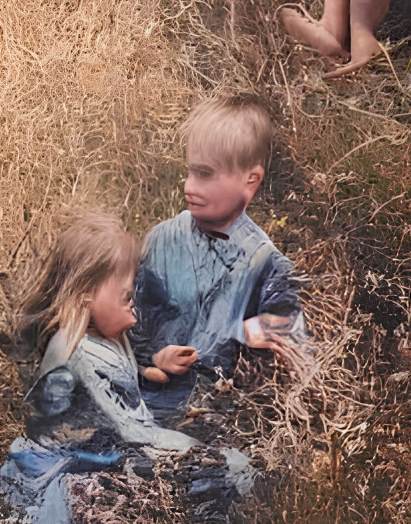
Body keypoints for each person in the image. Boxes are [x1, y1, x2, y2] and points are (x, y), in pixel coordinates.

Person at [0, 213, 252, 524]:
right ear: (85, 297)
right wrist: (192, 450)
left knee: (198, 490)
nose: (134, 306)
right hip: (71, 473)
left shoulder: (104, 334)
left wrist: (153, 363)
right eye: (127, 296)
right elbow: (126, 428)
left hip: (106, 455)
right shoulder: (70, 350)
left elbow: (123, 377)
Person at [132, 92, 308, 419]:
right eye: (190, 171)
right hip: (147, 403)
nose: (189, 186)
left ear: (249, 181)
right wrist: (154, 357)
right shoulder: (162, 241)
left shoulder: (267, 265)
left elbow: (290, 342)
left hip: (220, 420)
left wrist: (261, 334)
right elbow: (132, 319)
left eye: (205, 175)